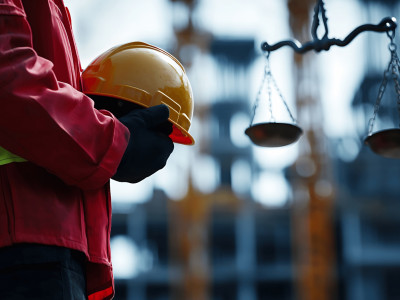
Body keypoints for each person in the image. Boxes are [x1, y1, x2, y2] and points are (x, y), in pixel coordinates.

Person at [0, 0, 178, 299]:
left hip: (41, 246)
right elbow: (9, 80)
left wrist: (101, 118)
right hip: (25, 249)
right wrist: (114, 142)